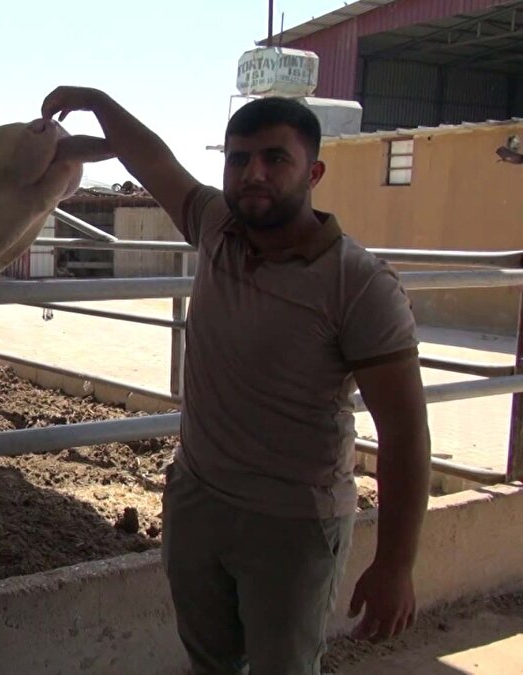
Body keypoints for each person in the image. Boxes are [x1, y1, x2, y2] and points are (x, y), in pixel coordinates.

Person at [40, 88, 432, 674]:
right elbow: (153, 160)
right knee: (209, 663)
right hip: (198, 503)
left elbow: (404, 432)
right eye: (238, 159)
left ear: (314, 172)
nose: (253, 174)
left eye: (276, 159)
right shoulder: (217, 226)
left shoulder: (358, 283)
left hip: (293, 523)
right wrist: (98, 102)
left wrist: (396, 565)